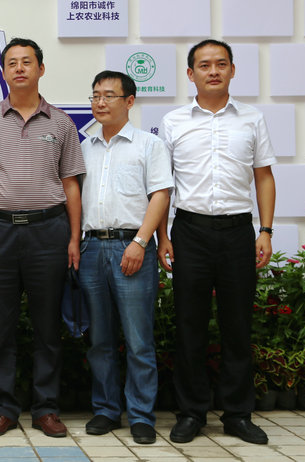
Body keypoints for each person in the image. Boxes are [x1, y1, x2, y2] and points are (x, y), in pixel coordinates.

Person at [158, 39, 276, 445]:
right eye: (205, 65)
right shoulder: (173, 121)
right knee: (189, 325)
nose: (213, 71)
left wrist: (266, 230)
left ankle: (238, 414)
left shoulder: (252, 119)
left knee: (237, 325)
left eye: (221, 64)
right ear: (190, 74)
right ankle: (191, 413)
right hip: (189, 231)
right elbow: (162, 185)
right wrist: (162, 236)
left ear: (232, 70)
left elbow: (264, 176)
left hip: (237, 231)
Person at [0, 38, 85, 438]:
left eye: (27, 62)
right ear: (3, 71)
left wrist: (73, 238)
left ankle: (46, 408)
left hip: (48, 231)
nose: (19, 68)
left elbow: (70, 185)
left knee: (47, 325)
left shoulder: (61, 123)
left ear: (41, 69)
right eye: (12, 63)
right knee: (1, 325)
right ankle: (3, 407)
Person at [77, 71, 173, 445]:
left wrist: (142, 241)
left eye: (109, 95)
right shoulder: (84, 147)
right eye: (95, 95)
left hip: (132, 246)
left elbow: (160, 195)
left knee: (138, 339)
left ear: (129, 101)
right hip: (91, 249)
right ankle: (105, 409)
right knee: (99, 339)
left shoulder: (149, 145)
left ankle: (141, 415)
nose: (100, 102)